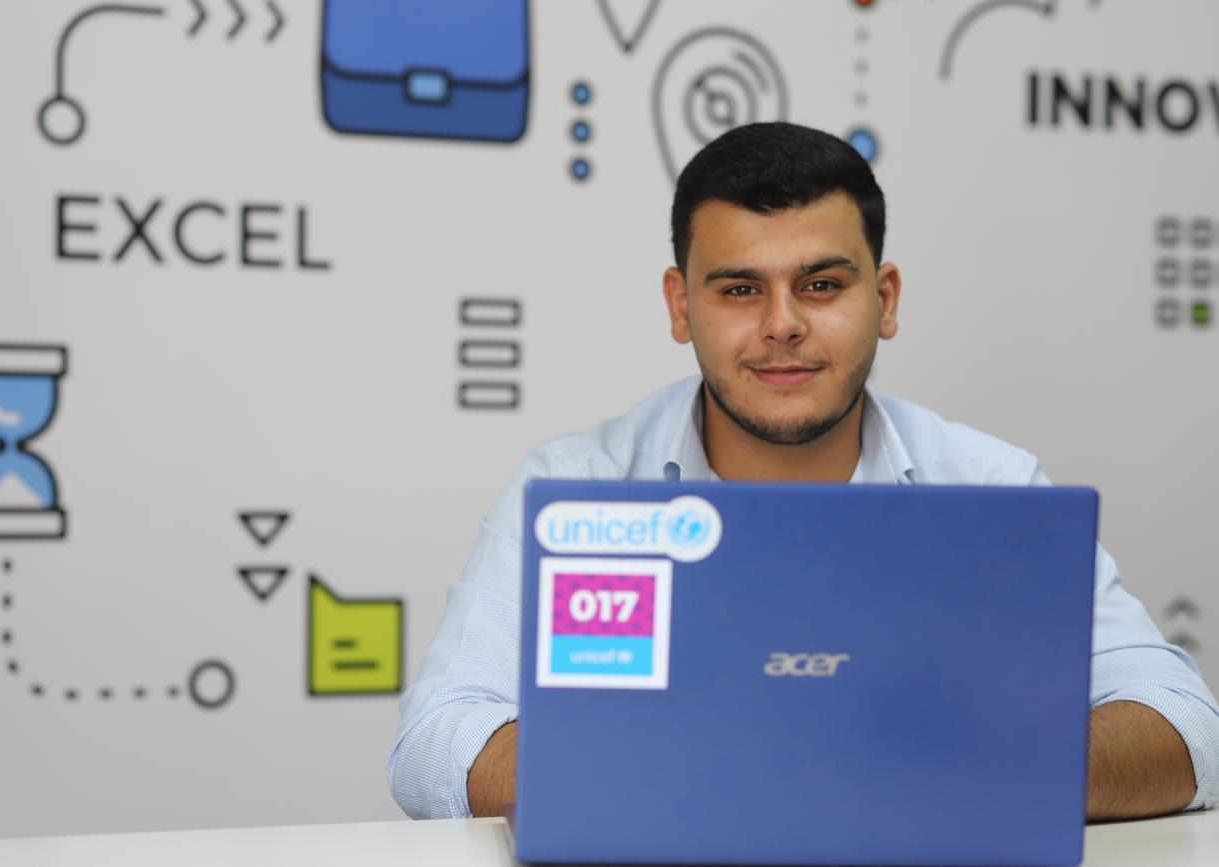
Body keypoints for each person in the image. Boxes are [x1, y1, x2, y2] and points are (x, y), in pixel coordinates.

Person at [387, 121, 1219, 822]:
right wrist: (749, 767)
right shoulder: (578, 483)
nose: (782, 325)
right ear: (681, 305)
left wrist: (947, 767)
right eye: (740, 287)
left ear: (885, 299)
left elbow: (1188, 729)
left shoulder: (992, 484)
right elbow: (436, 742)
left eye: (821, 283)